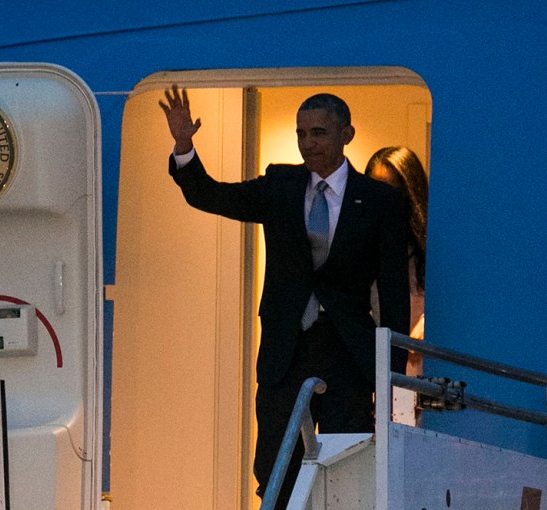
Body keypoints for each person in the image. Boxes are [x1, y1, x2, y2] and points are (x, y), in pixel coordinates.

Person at [160, 85, 410, 508]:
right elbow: (211, 195)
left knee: (347, 471)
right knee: (276, 470)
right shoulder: (281, 184)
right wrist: (184, 146)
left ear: (346, 134)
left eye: (318, 133)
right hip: (285, 353)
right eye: (301, 134)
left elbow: (394, 296)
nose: (308, 143)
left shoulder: (379, 200)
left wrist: (392, 379)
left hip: (348, 355)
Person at [365, 146, 428, 376]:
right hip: (379, 363)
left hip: (424, 360)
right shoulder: (363, 242)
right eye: (376, 190)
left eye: (393, 191)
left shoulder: (428, 242)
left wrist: (426, 324)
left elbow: (455, 299)